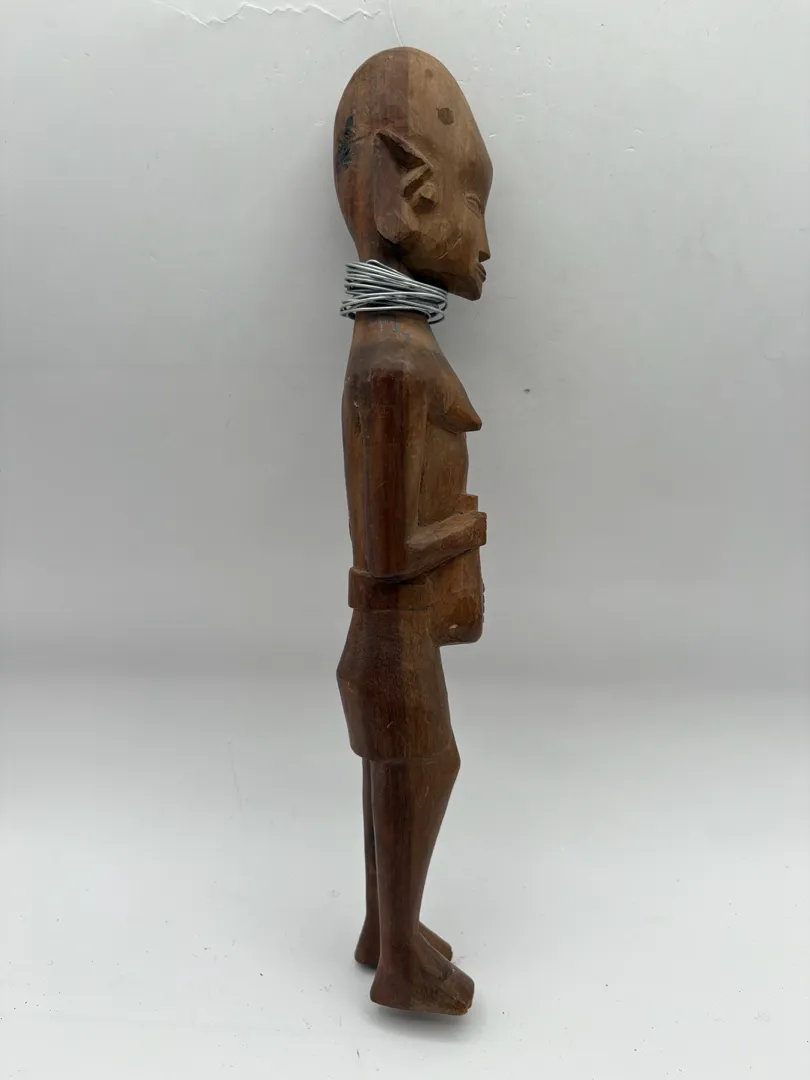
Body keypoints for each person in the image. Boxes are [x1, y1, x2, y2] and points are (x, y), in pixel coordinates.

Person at [334, 47, 493, 1015]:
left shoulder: (392, 341)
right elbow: (388, 549)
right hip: (391, 631)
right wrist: (469, 529)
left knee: (395, 771)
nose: (488, 241)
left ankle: (382, 928)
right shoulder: (393, 359)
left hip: (386, 636)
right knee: (423, 766)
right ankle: (401, 963)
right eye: (475, 200)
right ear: (406, 195)